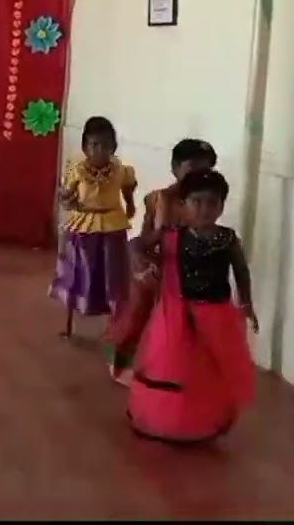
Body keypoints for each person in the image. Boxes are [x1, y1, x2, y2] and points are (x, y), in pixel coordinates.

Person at [128, 169, 259, 444]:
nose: (204, 209)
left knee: (207, 369)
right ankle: (164, 420)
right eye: (197, 202)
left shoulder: (228, 239)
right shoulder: (170, 235)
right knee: (174, 366)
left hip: (216, 314)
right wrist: (141, 263)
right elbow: (137, 245)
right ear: (183, 205)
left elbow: (241, 271)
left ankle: (200, 423)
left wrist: (246, 303)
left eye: (212, 202)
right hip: (177, 314)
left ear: (221, 206)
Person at [106, 138, 217, 382]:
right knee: (137, 313)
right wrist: (149, 251)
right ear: (175, 169)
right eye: (192, 168)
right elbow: (145, 239)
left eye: (206, 170)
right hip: (156, 264)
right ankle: (119, 361)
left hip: (187, 270)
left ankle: (176, 368)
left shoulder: (208, 202)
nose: (199, 176)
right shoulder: (159, 199)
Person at [51, 116, 137, 338]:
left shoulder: (121, 170)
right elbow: (66, 198)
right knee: (79, 272)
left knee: (113, 275)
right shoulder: (78, 171)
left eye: (106, 144)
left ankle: (114, 327)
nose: (100, 150)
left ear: (114, 146)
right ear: (85, 147)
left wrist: (130, 205)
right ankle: (69, 322)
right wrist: (68, 202)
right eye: (94, 144)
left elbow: (127, 189)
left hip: (113, 226)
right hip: (84, 227)